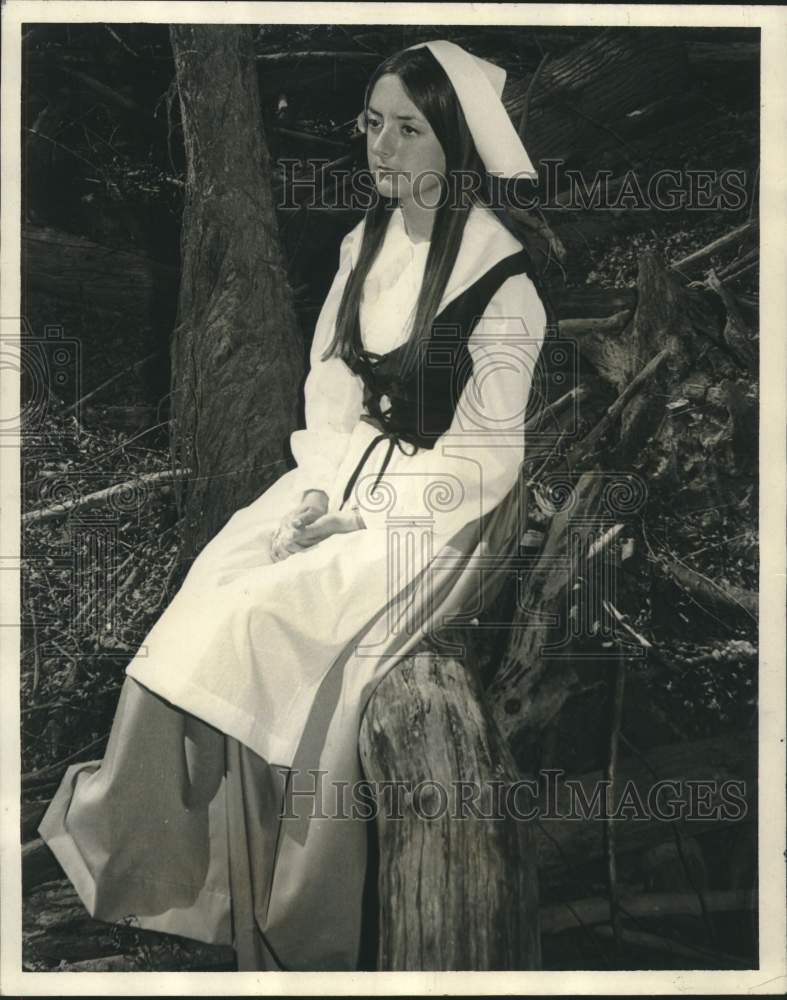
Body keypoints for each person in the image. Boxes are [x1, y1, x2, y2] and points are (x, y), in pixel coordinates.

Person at [39, 39, 551, 971]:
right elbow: (332, 388)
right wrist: (317, 492)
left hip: (442, 508)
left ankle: (290, 910)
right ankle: (180, 867)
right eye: (373, 124)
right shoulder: (365, 244)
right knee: (219, 585)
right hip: (347, 471)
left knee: (278, 619)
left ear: (456, 144)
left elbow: (485, 456)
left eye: (408, 129)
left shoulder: (502, 284)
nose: (381, 148)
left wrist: (364, 520)